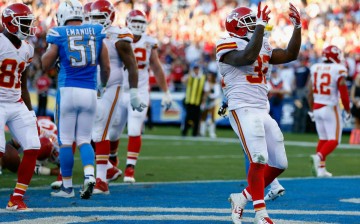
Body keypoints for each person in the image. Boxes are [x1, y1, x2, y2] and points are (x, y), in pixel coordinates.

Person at [216, 2, 301, 223]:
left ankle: (242, 197)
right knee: (258, 158)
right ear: (236, 27)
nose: (254, 25)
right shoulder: (226, 43)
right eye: (249, 23)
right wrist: (261, 28)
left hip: (262, 108)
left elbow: (290, 54)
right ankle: (261, 214)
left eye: (255, 21)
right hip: (241, 107)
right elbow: (246, 58)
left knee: (280, 163)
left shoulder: (261, 42)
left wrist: (297, 28)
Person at [41, 0, 110, 199]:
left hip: (68, 90)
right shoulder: (96, 31)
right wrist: (103, 86)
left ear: (62, 16)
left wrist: (51, 50)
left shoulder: (58, 33)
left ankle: (68, 187)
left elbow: (46, 63)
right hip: (90, 92)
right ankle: (90, 175)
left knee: (66, 141)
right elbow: (105, 67)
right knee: (84, 139)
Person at [106, 9, 172, 183]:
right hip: (119, 90)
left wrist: (165, 92)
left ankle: (130, 168)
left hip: (140, 91)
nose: (138, 25)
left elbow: (157, 67)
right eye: (135, 21)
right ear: (127, 21)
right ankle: (112, 159)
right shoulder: (118, 37)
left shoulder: (149, 42)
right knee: (113, 132)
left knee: (135, 128)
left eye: (141, 22)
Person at [89, 0, 146, 193]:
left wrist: (134, 93)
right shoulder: (86, 32)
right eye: (93, 16)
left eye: (100, 17)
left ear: (110, 17)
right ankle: (109, 170)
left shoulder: (119, 36)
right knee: (86, 133)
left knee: (101, 131)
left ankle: (101, 180)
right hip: (89, 86)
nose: (96, 21)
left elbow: (132, 65)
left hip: (111, 86)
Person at [0, 3, 41, 211]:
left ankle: (16, 198)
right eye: (23, 22)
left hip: (16, 102)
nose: (28, 27)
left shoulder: (27, 48)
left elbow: (23, 83)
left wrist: (31, 112)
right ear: (8, 23)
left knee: (33, 146)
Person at [308, 45, 350, 177]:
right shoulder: (338, 69)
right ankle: (319, 157)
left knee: (323, 138)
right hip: (330, 107)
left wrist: (311, 109)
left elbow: (309, 91)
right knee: (334, 140)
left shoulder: (315, 67)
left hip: (317, 107)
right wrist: (347, 110)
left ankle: (321, 169)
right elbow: (343, 92)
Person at [181, 62, 207, 137]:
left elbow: (204, 91)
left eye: (197, 69)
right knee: (187, 118)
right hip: (189, 101)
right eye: (195, 69)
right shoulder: (190, 76)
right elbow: (183, 81)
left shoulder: (202, 78)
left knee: (196, 118)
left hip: (197, 101)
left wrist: (203, 101)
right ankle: (184, 132)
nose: (196, 70)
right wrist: (189, 74)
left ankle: (194, 133)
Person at [199, 72, 221, 138]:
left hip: (212, 103)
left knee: (212, 117)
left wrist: (210, 95)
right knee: (203, 117)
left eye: (210, 76)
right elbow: (204, 93)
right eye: (208, 76)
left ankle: (212, 133)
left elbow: (217, 94)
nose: (209, 77)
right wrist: (203, 102)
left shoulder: (216, 85)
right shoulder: (206, 83)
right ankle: (202, 132)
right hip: (206, 102)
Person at [350, 75, 360, 144]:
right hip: (356, 107)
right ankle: (355, 139)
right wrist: (356, 103)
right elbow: (352, 97)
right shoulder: (355, 87)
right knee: (356, 123)